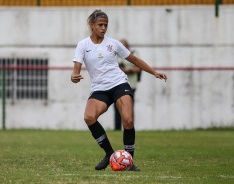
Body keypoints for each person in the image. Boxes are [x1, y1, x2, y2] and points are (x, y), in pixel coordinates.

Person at [71, 9, 167, 171]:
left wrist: (154, 72)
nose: (103, 28)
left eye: (105, 25)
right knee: (89, 117)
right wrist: (74, 77)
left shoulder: (113, 43)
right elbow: (76, 71)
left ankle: (129, 161)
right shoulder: (83, 45)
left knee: (128, 120)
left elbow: (134, 59)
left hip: (119, 84)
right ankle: (109, 153)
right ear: (92, 25)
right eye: (100, 25)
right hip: (100, 89)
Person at [114, 39, 141, 130]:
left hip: (131, 85)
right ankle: (117, 128)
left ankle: (130, 127)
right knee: (117, 107)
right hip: (117, 85)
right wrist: (128, 70)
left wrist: (128, 70)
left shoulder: (133, 54)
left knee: (129, 107)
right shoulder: (116, 56)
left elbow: (138, 68)